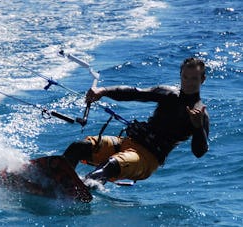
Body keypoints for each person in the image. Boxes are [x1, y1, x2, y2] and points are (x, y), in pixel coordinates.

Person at [63, 57, 209, 184]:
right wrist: (104, 91)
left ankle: (78, 190)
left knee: (110, 166)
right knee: (78, 147)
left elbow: (199, 152)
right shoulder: (168, 94)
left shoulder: (200, 113)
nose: (188, 83)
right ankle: (56, 180)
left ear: (202, 79)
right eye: (185, 77)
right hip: (126, 143)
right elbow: (135, 93)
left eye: (194, 79)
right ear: (180, 75)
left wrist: (198, 127)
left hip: (147, 159)